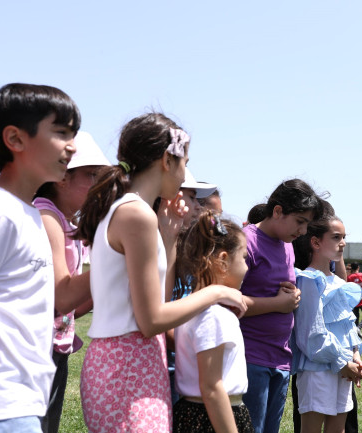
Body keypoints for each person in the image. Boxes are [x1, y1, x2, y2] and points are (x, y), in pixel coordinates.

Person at [74, 113, 247, 432]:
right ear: (168, 160)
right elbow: (151, 319)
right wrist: (216, 292)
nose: (185, 176)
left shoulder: (131, 210)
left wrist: (168, 237)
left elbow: (160, 302)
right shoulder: (135, 214)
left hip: (128, 361)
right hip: (126, 364)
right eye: (184, 163)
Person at [0, 83, 81, 432]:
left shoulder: (28, 213)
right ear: (15, 140)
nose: (72, 146)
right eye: (61, 132)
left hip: (20, 400)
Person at [33, 131, 110, 433]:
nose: (97, 186)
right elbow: (60, 295)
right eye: (92, 176)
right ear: (62, 176)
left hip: (56, 347)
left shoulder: (67, 223)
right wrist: (115, 266)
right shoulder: (45, 216)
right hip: (36, 347)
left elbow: (71, 307)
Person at [239, 179, 323, 433]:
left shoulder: (287, 245)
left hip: (280, 359)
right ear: (277, 211)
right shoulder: (246, 242)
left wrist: (292, 296)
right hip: (250, 358)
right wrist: (279, 303)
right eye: (299, 221)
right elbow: (228, 303)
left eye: (307, 224)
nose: (303, 230)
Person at [173, 211, 254, 433]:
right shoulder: (215, 316)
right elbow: (211, 387)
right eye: (244, 258)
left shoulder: (189, 309)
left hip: (194, 413)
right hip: (214, 416)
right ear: (223, 261)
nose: (247, 267)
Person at [291, 213, 362, 433]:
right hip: (318, 370)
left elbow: (349, 327)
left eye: (343, 237)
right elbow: (311, 336)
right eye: (336, 237)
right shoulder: (308, 279)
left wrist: (355, 355)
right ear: (315, 242)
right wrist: (344, 362)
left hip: (344, 369)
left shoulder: (340, 283)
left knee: (338, 429)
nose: (342, 243)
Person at [166, 167, 219, 407]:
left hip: (189, 357)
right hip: (172, 360)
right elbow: (161, 311)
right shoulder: (165, 246)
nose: (199, 207)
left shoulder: (197, 253)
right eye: (192, 198)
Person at [347, 263, 362, 331]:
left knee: (356, 317)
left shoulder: (349, 277)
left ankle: (355, 331)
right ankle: (358, 328)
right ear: (358, 267)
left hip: (354, 300)